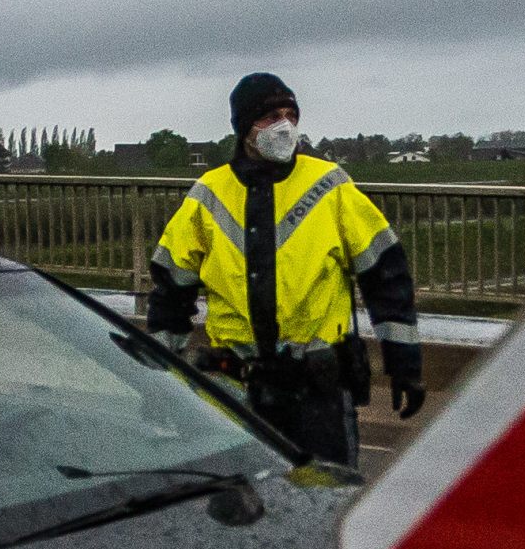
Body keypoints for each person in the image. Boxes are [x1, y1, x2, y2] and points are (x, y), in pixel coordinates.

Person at [145, 72, 422, 467]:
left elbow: (387, 277)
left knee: (326, 502)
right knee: (243, 509)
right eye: (270, 116)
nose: (284, 126)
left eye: (290, 114)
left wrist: (405, 366)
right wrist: (159, 377)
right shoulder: (208, 194)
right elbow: (171, 292)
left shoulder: (330, 186)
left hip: (319, 392)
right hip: (238, 390)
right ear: (244, 128)